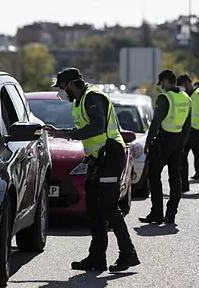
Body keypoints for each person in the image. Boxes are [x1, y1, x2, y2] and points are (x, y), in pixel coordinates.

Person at [42, 68, 140, 272]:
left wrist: (68, 135)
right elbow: (87, 131)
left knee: (109, 207)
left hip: (111, 157)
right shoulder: (79, 102)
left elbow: (97, 126)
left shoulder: (92, 97)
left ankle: (128, 254)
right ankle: (96, 257)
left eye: (61, 87)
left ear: (71, 84)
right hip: (97, 160)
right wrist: (62, 132)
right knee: (94, 210)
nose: (61, 92)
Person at [138, 70, 192, 225]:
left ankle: (157, 213)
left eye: (161, 83)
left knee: (154, 175)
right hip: (178, 140)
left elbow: (155, 123)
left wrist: (148, 142)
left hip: (164, 140)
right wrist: (182, 140)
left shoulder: (164, 98)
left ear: (166, 82)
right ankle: (171, 214)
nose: (160, 87)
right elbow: (187, 124)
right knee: (175, 178)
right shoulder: (186, 98)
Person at [176, 74, 199, 194]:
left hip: (198, 132)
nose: (182, 88)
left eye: (182, 85)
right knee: (182, 157)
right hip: (185, 133)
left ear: (187, 82)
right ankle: (184, 185)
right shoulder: (181, 96)